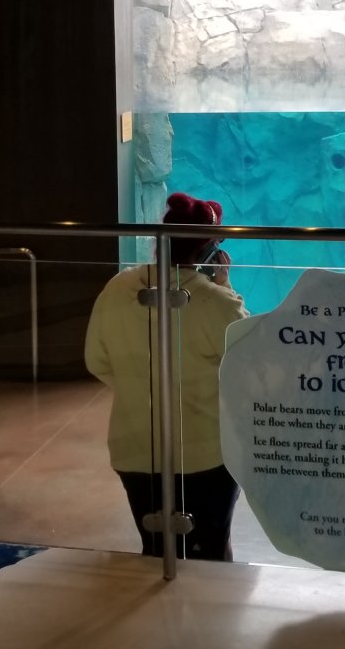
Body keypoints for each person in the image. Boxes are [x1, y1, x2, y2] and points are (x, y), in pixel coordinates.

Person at [85, 191, 247, 560]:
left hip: (135, 449)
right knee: (212, 548)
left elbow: (97, 361)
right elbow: (249, 365)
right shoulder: (217, 302)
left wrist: (142, 385)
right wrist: (224, 285)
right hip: (206, 455)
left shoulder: (117, 288)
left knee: (156, 549)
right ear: (209, 248)